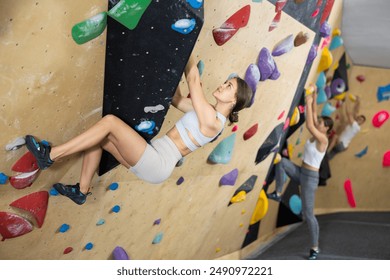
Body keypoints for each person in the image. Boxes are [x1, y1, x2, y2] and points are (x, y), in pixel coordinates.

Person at [25, 55, 253, 205]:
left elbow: (194, 80)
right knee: (99, 137)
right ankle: (81, 191)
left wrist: (189, 44)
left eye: (228, 86)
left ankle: (50, 156)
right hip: (154, 159)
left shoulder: (214, 122)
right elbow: (176, 100)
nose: (222, 85)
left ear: (234, 101)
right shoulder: (206, 112)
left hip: (158, 162)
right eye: (225, 82)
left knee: (110, 123)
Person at [267, 87, 334, 260]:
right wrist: (313, 97)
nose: (318, 123)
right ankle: (278, 192)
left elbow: (310, 124)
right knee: (281, 162)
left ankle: (314, 247)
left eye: (321, 123)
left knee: (308, 215)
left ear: (326, 129)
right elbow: (313, 119)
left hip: (310, 179)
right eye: (319, 121)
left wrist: (308, 100)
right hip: (301, 171)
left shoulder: (323, 139)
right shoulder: (316, 135)